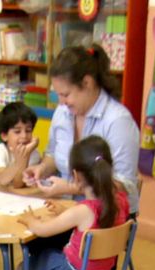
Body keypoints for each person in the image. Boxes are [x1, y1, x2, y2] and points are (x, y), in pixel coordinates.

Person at [19, 137, 131, 270]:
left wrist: (30, 219)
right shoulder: (120, 199)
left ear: (76, 176)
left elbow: (42, 230)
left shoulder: (83, 211)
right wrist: (65, 211)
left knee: (28, 264)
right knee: (54, 254)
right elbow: (97, 220)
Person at [24, 44, 140, 214]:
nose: (62, 102)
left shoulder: (118, 121)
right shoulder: (63, 113)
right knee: (28, 229)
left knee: (38, 236)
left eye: (66, 94)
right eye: (59, 95)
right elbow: (53, 155)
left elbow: (124, 185)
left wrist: (72, 188)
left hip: (105, 218)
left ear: (87, 83)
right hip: (65, 210)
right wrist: (41, 170)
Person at [0, 101, 42, 190]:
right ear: (4, 136)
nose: (24, 136)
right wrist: (18, 163)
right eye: (17, 131)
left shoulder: (34, 153)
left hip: (15, 197)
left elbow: (18, 184)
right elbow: (3, 180)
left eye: (28, 130)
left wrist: (25, 155)